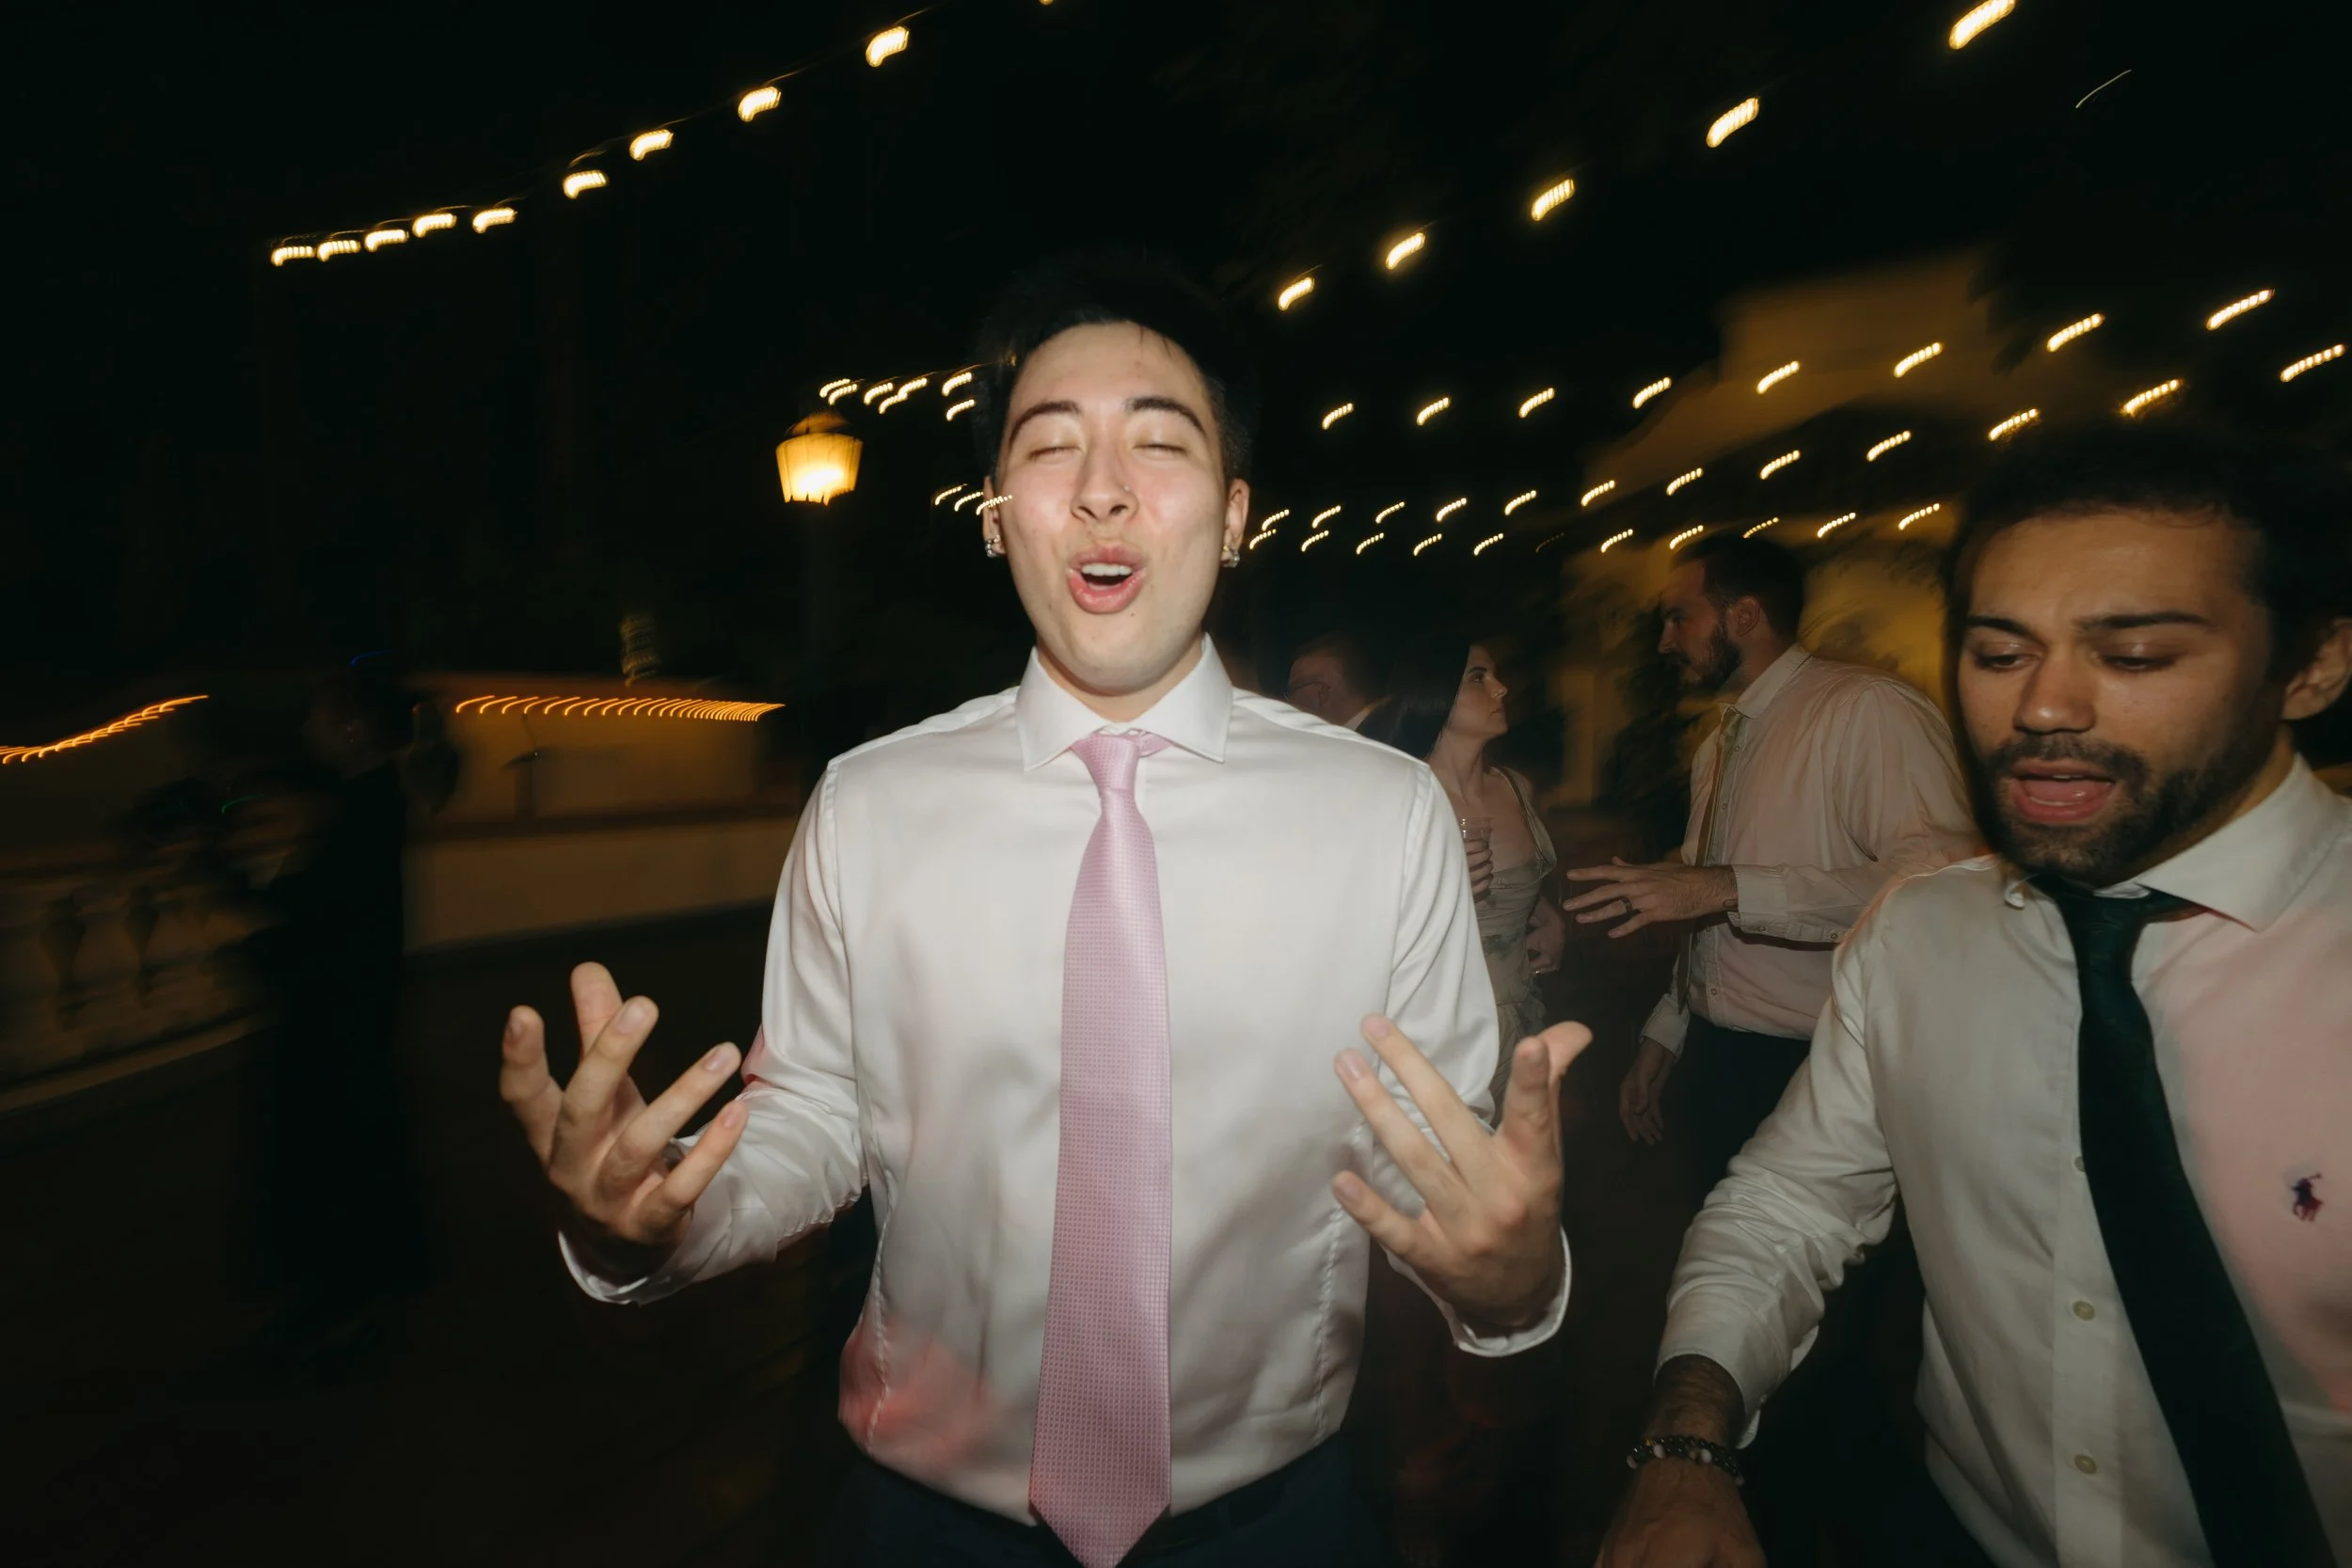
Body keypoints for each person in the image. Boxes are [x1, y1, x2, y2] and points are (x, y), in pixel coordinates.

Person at [496, 253, 1584, 1568]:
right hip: (920, 1523)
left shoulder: (1383, 814)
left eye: (1159, 443)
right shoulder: (869, 802)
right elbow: (818, 1113)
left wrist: (1515, 1285)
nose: (1105, 488)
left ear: (1237, 515)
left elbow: (1447, 1162)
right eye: (1050, 447)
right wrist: (653, 1219)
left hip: (1277, 1525)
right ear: (999, 515)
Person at [1599, 423, 2352, 1567]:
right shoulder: (1920, 939)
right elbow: (1784, 1208)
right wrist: (1686, 1444)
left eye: (2134, 654)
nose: (2044, 707)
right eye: (1999, 654)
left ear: (2311, 664)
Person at [1563, 533, 1976, 1189]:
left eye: (1679, 617)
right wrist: (1666, 1033)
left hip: (1823, 1063)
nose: (1666, 641)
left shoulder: (1866, 708)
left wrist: (1728, 887)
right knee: (1727, 1261)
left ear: (1745, 617)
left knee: (1816, 1279)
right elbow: (1704, 903)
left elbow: (1940, 885)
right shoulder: (1722, 741)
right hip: (1719, 1052)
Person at [1361, 635, 1565, 1109]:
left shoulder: (1516, 788)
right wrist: (1441, 902)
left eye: (1494, 675)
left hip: (1525, 1016)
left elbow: (1515, 884)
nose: (1501, 688)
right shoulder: (1402, 797)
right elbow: (1355, 930)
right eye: (1478, 677)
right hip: (1442, 1029)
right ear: (1434, 694)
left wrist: (1546, 914)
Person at [1288, 630, 1388, 730]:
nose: (1289, 704)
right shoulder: (1392, 724)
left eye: (1292, 692)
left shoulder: (1351, 742)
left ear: (1321, 694)